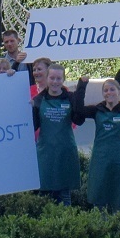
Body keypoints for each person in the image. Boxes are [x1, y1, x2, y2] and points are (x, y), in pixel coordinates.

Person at [32, 64, 91, 204]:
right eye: (52, 78)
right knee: (44, 194)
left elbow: (79, 120)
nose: (55, 82)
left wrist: (81, 90)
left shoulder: (70, 98)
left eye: (59, 78)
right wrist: (29, 109)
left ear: (63, 80)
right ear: (46, 79)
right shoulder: (38, 100)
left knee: (64, 194)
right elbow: (33, 126)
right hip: (45, 152)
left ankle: (65, 223)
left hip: (65, 151)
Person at [85, 79, 120, 213]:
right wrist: (82, 85)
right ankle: (100, 230)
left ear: (119, 92)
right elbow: (77, 109)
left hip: (119, 160)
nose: (109, 92)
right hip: (100, 160)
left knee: (118, 199)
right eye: (105, 90)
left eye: (112, 89)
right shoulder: (97, 110)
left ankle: (119, 228)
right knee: (99, 198)